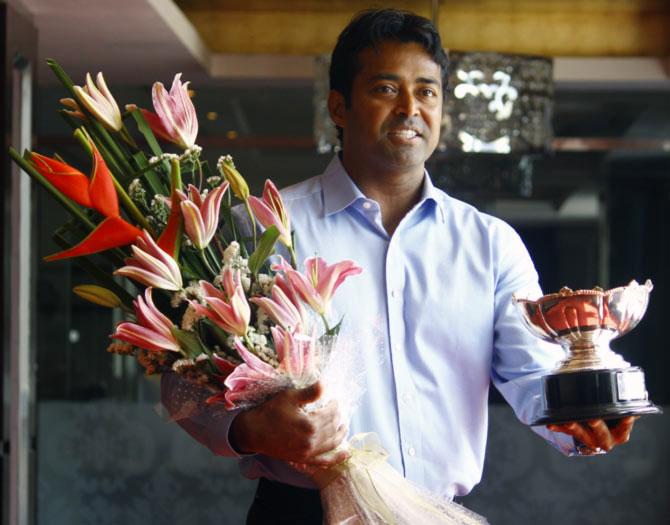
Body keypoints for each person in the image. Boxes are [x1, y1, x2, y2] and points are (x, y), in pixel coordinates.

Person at [162, 8, 636, 524]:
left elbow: (530, 370)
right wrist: (251, 429)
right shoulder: (261, 229)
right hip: (301, 512)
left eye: (427, 91)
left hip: (437, 512)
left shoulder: (491, 244)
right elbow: (183, 378)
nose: (411, 107)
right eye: (387, 89)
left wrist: (579, 414)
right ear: (338, 107)